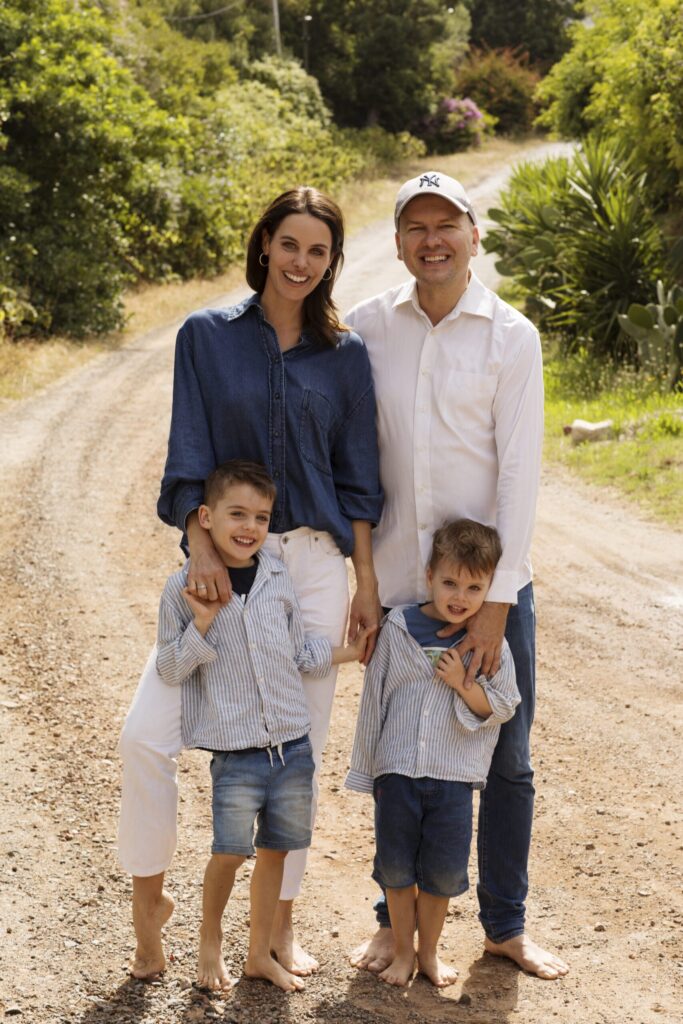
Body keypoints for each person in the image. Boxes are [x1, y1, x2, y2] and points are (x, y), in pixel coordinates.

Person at [118, 187, 383, 981]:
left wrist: (364, 582)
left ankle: (274, 933)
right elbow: (187, 455)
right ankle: (148, 904)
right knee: (147, 734)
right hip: (229, 560)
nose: (301, 262)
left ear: (332, 262)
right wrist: (200, 543)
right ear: (264, 243)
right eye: (289, 244)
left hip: (315, 566)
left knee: (294, 758)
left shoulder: (345, 355)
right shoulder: (206, 336)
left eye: (318, 250)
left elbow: (358, 481)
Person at [345, 171, 568, 980]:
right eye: (416, 226)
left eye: (447, 224)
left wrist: (496, 603)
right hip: (402, 588)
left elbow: (518, 475)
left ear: (473, 236)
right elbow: (353, 460)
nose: (431, 239)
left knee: (504, 758)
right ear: (398, 241)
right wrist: (364, 581)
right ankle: (392, 927)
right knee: (400, 757)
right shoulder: (367, 327)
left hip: (489, 593)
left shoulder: (511, 335)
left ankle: (504, 926)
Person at [156, 460, 373, 991]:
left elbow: (299, 652)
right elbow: (169, 668)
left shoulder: (277, 578)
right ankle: (210, 943)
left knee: (276, 851)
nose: (249, 527)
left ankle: (258, 954)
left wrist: (350, 652)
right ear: (206, 517)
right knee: (230, 853)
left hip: (291, 747)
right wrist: (202, 624)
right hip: (237, 753)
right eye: (237, 514)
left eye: (260, 517)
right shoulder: (183, 588)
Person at [346, 519, 520, 988]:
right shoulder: (398, 627)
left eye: (474, 587)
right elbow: (373, 701)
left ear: (489, 588)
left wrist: (463, 685)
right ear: (429, 576)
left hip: (453, 778)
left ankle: (428, 954)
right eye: (449, 583)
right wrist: (367, 772)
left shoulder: (490, 643)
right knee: (396, 870)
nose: (460, 597)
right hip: (397, 773)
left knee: (442, 874)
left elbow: (504, 705)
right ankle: (403, 951)